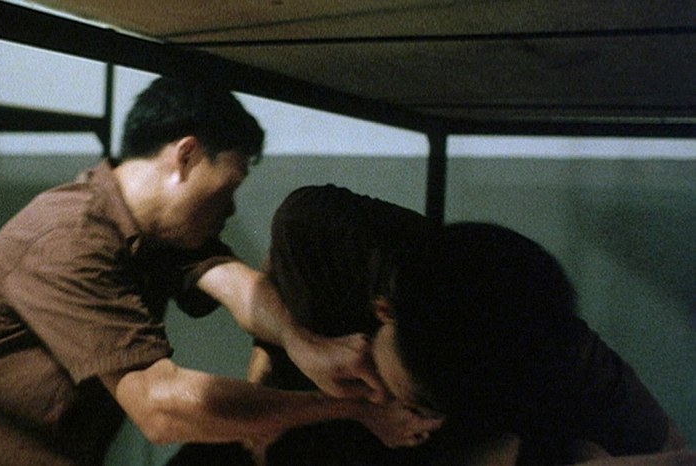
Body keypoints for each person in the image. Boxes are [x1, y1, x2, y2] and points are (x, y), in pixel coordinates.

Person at [0, 80, 437, 466]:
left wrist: (303, 342)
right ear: (185, 156)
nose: (231, 209)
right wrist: (353, 408)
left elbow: (232, 281)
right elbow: (161, 407)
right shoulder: (69, 237)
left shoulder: (155, 231)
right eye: (230, 185)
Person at [168, 184, 689, 465]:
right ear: (383, 311)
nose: (386, 398)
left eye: (421, 407)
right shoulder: (324, 234)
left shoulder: (547, 355)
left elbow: (659, 444)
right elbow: (273, 289)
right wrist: (293, 348)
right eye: (411, 398)